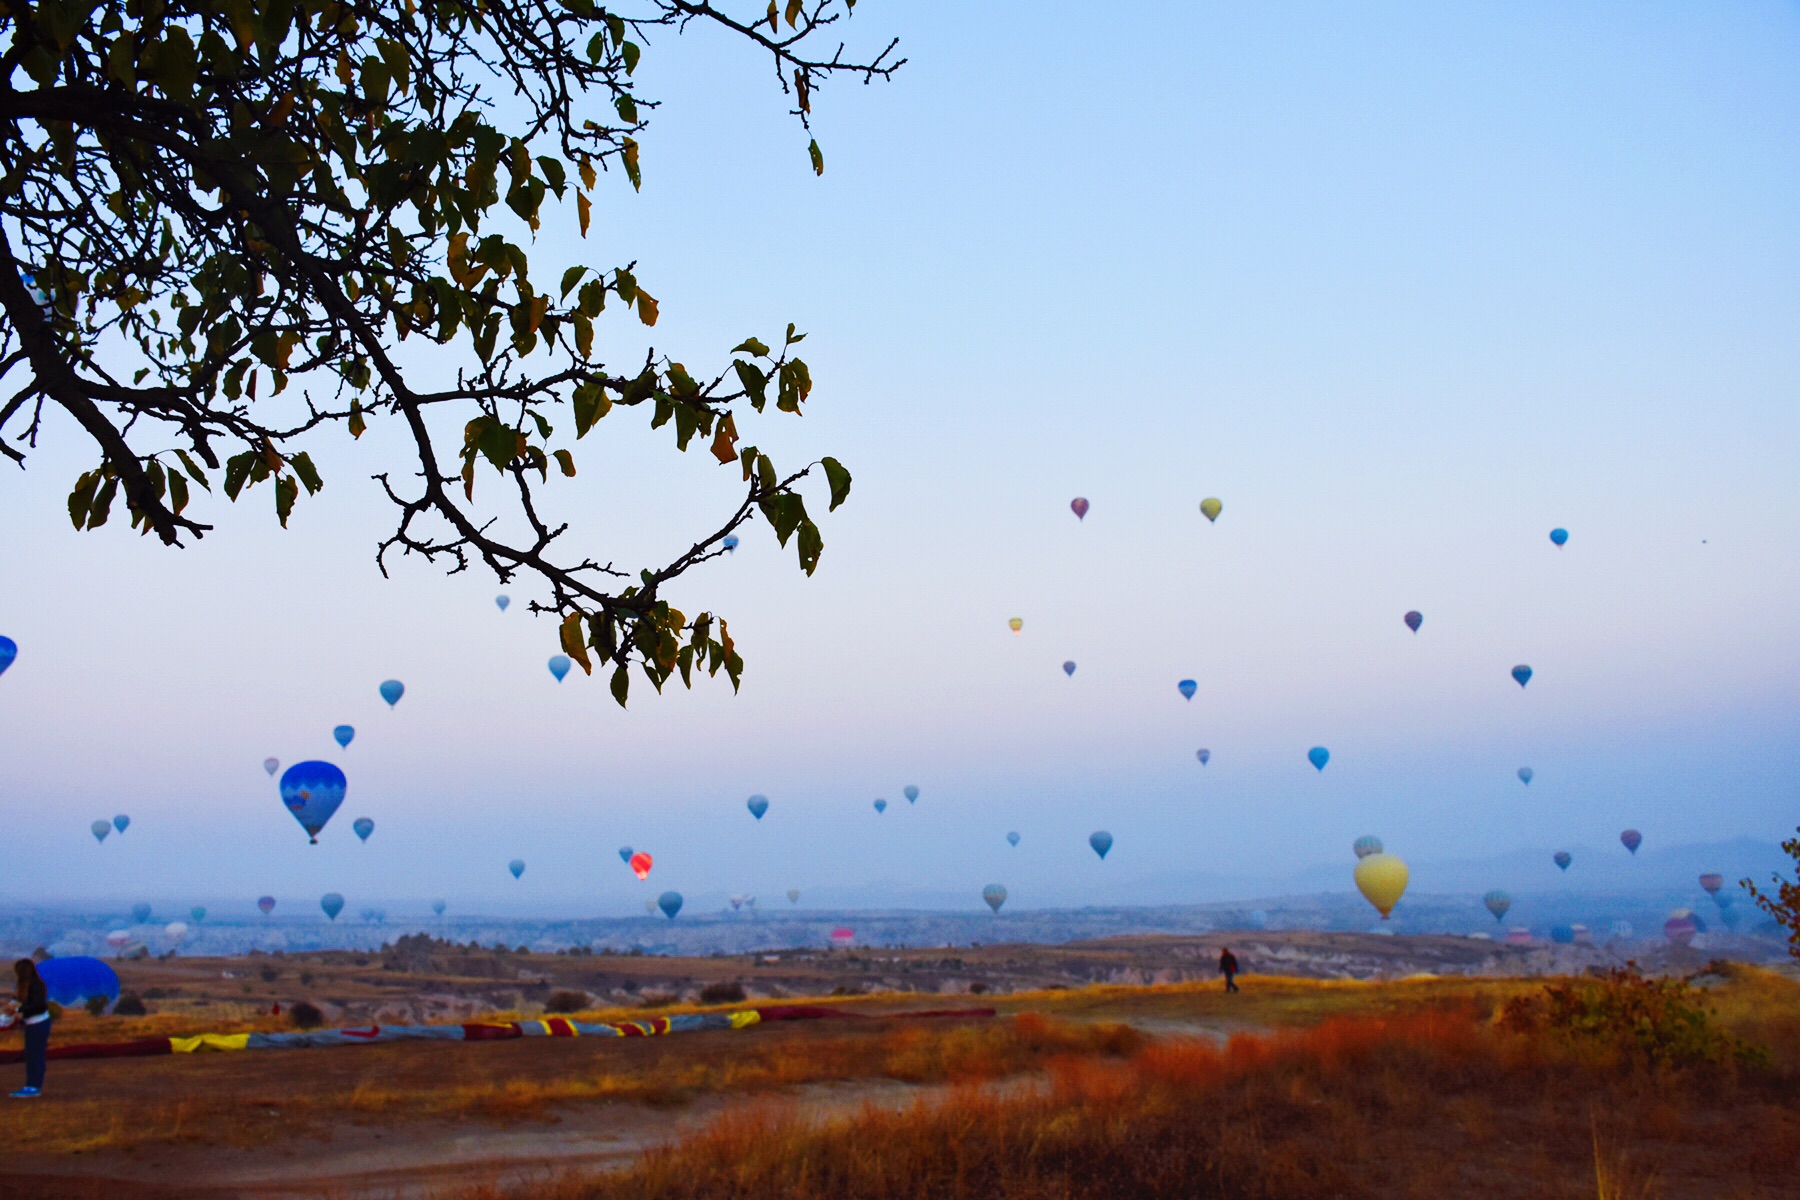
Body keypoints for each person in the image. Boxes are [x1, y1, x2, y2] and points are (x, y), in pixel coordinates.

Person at [10, 959, 50, 1097]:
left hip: (39, 1023)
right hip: (31, 1024)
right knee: (31, 1055)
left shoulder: (37, 985)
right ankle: (30, 1085)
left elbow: (38, 1006)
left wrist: (22, 1012)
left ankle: (34, 1086)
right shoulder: (24, 985)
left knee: (36, 1055)